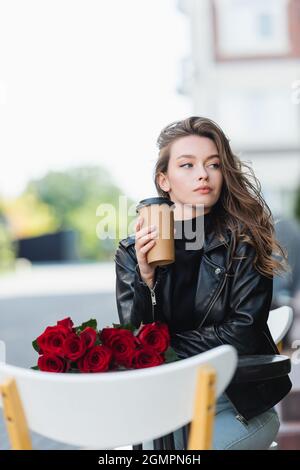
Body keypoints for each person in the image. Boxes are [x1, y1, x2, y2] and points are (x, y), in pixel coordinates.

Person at [114, 116, 292, 450]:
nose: (203, 174)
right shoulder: (131, 252)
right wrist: (146, 279)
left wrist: (165, 350)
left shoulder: (243, 241)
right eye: (187, 164)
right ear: (163, 180)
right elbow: (134, 345)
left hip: (235, 405)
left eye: (213, 164)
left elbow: (242, 333)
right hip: (166, 411)